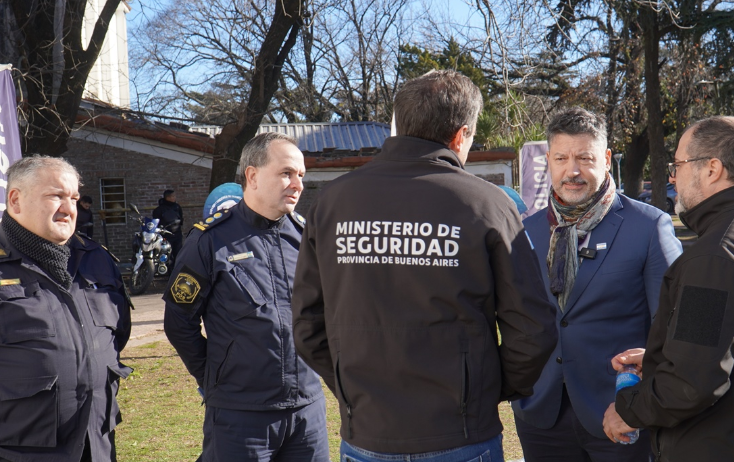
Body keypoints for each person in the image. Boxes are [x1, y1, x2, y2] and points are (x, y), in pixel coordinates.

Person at [292, 69, 558, 461]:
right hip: (459, 434)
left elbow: (305, 324)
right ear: (460, 135)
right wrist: (484, 390)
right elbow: (533, 327)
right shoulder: (485, 204)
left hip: (369, 430)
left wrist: (352, 388)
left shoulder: (332, 202)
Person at [603, 116, 734, 461]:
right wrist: (663, 354)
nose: (672, 177)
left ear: (712, 169)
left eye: (678, 164)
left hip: (714, 446)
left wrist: (628, 410)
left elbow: (691, 382)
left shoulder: (717, 257)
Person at [510, 107, 682, 461]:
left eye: (584, 158)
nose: (572, 170)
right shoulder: (527, 232)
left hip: (619, 411)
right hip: (541, 412)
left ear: (605, 159)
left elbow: (673, 326)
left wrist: (640, 402)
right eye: (561, 158)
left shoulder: (649, 227)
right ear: (549, 162)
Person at [163, 132, 328, 462]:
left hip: (307, 412)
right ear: (252, 175)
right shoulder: (209, 241)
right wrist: (215, 376)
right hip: (241, 416)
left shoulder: (306, 236)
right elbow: (179, 323)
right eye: (286, 173)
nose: (297, 184)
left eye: (301, 176)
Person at [0, 156, 132, 462]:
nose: (69, 208)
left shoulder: (96, 259)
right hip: (20, 451)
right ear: (16, 200)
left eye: (73, 198)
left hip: (96, 444)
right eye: (56, 196)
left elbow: (116, 337)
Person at [153, 189, 184, 257]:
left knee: (178, 253)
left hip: (177, 234)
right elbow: (155, 222)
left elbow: (181, 219)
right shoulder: (159, 210)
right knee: (166, 254)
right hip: (165, 235)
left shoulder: (177, 207)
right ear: (168, 197)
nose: (174, 197)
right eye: (173, 196)